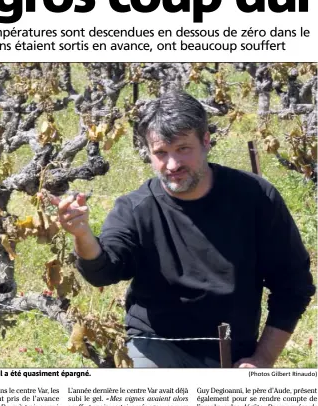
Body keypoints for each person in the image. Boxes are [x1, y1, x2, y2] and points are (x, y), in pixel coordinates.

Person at [51, 91, 315, 368]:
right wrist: (82, 235)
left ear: (206, 142)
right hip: (154, 344)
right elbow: (104, 270)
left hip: (231, 350)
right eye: (161, 153)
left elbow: (293, 285)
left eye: (183, 149)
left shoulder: (256, 197)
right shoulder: (136, 207)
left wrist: (262, 359)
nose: (173, 165)